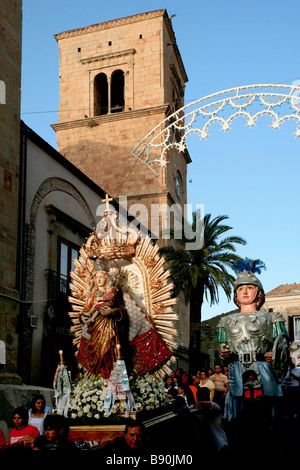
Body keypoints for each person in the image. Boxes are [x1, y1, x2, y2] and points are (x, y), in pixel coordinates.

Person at [216, 259, 288, 421]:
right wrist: (224, 354)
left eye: (250, 287)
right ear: (236, 293)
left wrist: (274, 355)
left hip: (265, 368)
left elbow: (282, 346)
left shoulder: (273, 318)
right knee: (241, 412)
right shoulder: (225, 321)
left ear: (259, 292)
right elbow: (222, 349)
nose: (245, 292)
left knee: (265, 412)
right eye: (241, 288)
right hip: (236, 368)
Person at [77, 260, 128, 378]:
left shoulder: (114, 292)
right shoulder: (93, 295)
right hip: (95, 330)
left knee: (111, 353)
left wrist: (112, 311)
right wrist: (83, 318)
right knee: (98, 355)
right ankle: (100, 382)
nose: (98, 279)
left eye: (101, 277)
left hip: (111, 328)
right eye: (96, 277)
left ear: (106, 277)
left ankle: (115, 381)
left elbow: (123, 311)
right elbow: (85, 311)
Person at [193, 387, 228, 453]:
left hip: (221, 445)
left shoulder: (215, 406)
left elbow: (210, 404)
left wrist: (199, 402)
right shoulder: (196, 409)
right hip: (210, 446)